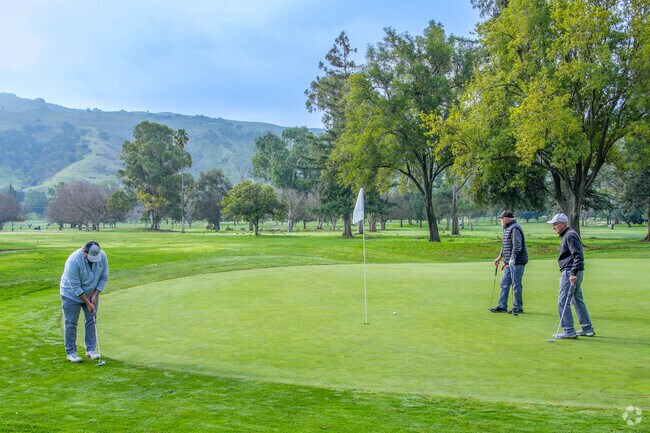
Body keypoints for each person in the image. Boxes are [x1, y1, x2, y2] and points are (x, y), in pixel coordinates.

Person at [60, 241, 109, 362]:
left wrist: (95, 295)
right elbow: (75, 286)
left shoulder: (102, 256)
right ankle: (71, 353)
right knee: (71, 323)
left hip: (92, 292)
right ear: (84, 252)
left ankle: (90, 350)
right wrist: (88, 302)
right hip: (70, 294)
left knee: (91, 320)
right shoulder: (74, 261)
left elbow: (104, 276)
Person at [547, 213, 595, 339]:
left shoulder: (570, 235)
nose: (554, 227)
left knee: (563, 301)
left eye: (555, 224)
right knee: (577, 300)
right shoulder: (568, 235)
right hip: (573, 272)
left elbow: (578, 256)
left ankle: (568, 331)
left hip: (570, 272)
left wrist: (573, 273)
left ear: (563, 224)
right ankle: (587, 328)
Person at [490, 210, 528, 314]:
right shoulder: (506, 229)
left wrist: (513, 258)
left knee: (516, 285)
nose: (501, 221)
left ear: (507, 219)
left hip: (517, 262)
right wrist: (499, 257)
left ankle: (518, 307)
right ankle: (502, 306)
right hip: (508, 262)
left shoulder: (515, 228)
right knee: (504, 283)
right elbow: (505, 246)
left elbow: (517, 246)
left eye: (502, 219)